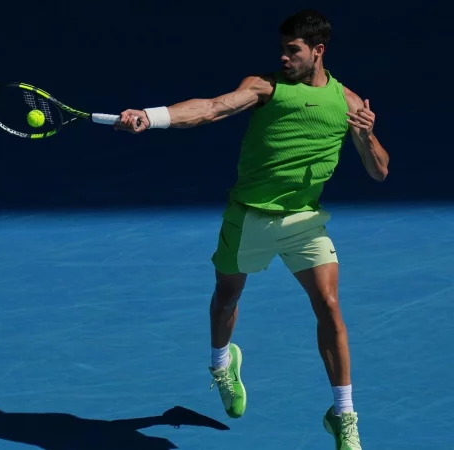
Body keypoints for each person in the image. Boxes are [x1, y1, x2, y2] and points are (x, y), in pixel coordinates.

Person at [114, 9, 389, 450]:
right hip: (249, 217)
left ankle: (344, 414)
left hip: (304, 221)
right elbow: (211, 109)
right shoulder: (265, 88)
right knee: (227, 297)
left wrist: (366, 136)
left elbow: (380, 172)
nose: (283, 57)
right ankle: (222, 364)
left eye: (293, 50)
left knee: (330, 307)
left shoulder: (351, 103)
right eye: (281, 49)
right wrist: (153, 115)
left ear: (318, 51)